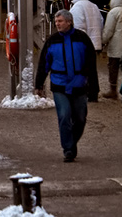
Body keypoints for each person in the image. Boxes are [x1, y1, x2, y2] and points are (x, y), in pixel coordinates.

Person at [36, 9, 98, 162]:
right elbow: (44, 63)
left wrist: (93, 88)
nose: (57, 24)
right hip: (59, 84)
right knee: (64, 116)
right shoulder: (52, 40)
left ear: (69, 22)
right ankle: (68, 149)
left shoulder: (82, 39)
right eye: (56, 21)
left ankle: (71, 142)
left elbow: (91, 64)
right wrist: (38, 84)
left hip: (79, 84)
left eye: (60, 21)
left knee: (80, 118)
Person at [101, 0, 122, 100]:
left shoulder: (114, 12)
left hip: (116, 45)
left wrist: (103, 41)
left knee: (113, 68)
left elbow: (108, 30)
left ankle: (113, 90)